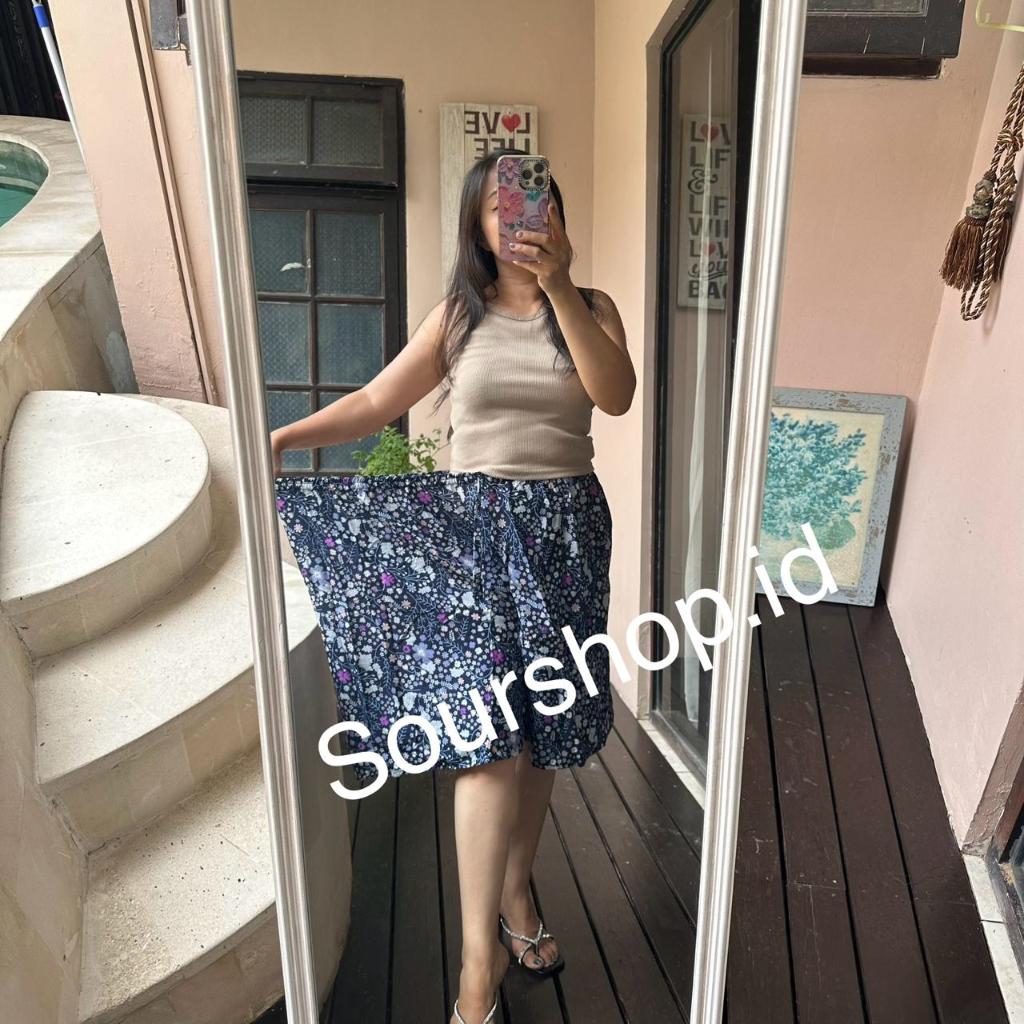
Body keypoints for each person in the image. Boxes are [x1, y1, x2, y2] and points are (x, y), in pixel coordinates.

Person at [271, 147, 635, 1024]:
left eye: (532, 202)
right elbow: (375, 401)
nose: (517, 219)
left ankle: (516, 891)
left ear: (556, 212)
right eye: (500, 208)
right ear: (477, 221)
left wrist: (558, 288)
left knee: (540, 734)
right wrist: (279, 438)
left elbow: (616, 395)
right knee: (486, 742)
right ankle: (479, 963)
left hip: (566, 535)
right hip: (471, 537)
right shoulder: (458, 318)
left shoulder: (591, 308)